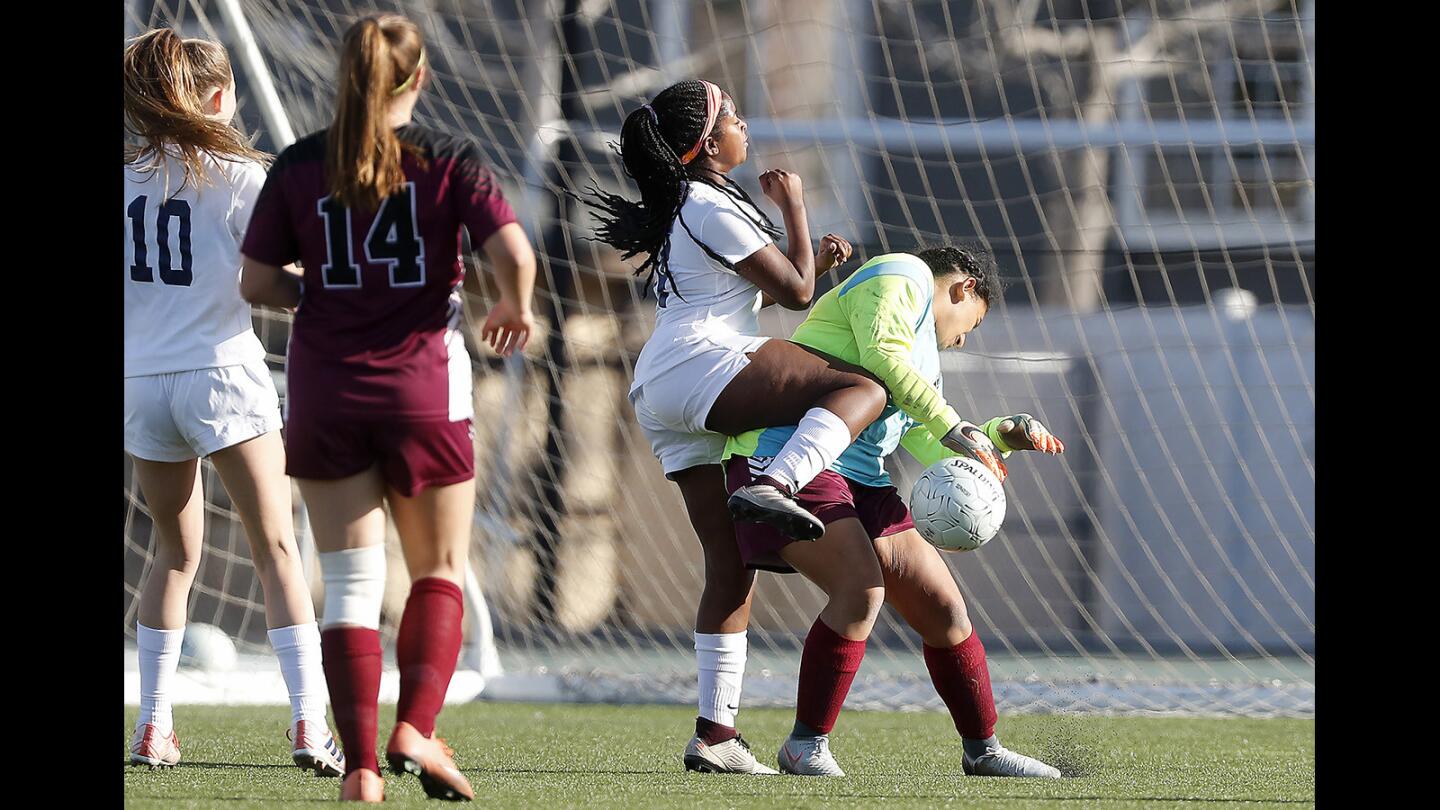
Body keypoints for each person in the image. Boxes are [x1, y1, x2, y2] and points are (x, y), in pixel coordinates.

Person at [578, 81, 1009, 774]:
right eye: (734, 119)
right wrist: (797, 207)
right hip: (700, 361)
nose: (746, 127)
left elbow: (792, 279)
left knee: (728, 565)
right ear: (709, 145)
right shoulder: (710, 200)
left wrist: (817, 255)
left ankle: (714, 737)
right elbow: (798, 292)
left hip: (663, 385)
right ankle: (778, 480)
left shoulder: (692, 203)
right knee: (862, 383)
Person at [239, 13, 536, 803]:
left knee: (348, 585)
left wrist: (321, 293)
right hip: (422, 389)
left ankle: (362, 771)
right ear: (419, 79)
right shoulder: (448, 160)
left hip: (325, 391)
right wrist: (515, 303)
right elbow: (512, 251)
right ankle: (417, 727)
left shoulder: (302, 162)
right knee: (439, 569)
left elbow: (256, 282)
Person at [722, 245, 1065, 778]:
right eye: (970, 326)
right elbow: (884, 357)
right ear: (962, 289)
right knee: (861, 589)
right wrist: (953, 424)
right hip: (789, 454)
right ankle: (804, 745)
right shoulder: (900, 272)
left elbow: (930, 438)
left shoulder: (924, 356)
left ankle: (984, 750)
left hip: (860, 478)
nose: (963, 340)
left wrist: (1000, 436)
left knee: (944, 608)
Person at [124, 28, 343, 776]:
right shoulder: (246, 178)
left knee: (173, 555)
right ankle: (310, 726)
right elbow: (279, 277)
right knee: (277, 549)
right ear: (218, 98)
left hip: (143, 385)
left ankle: (153, 727)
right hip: (220, 373)